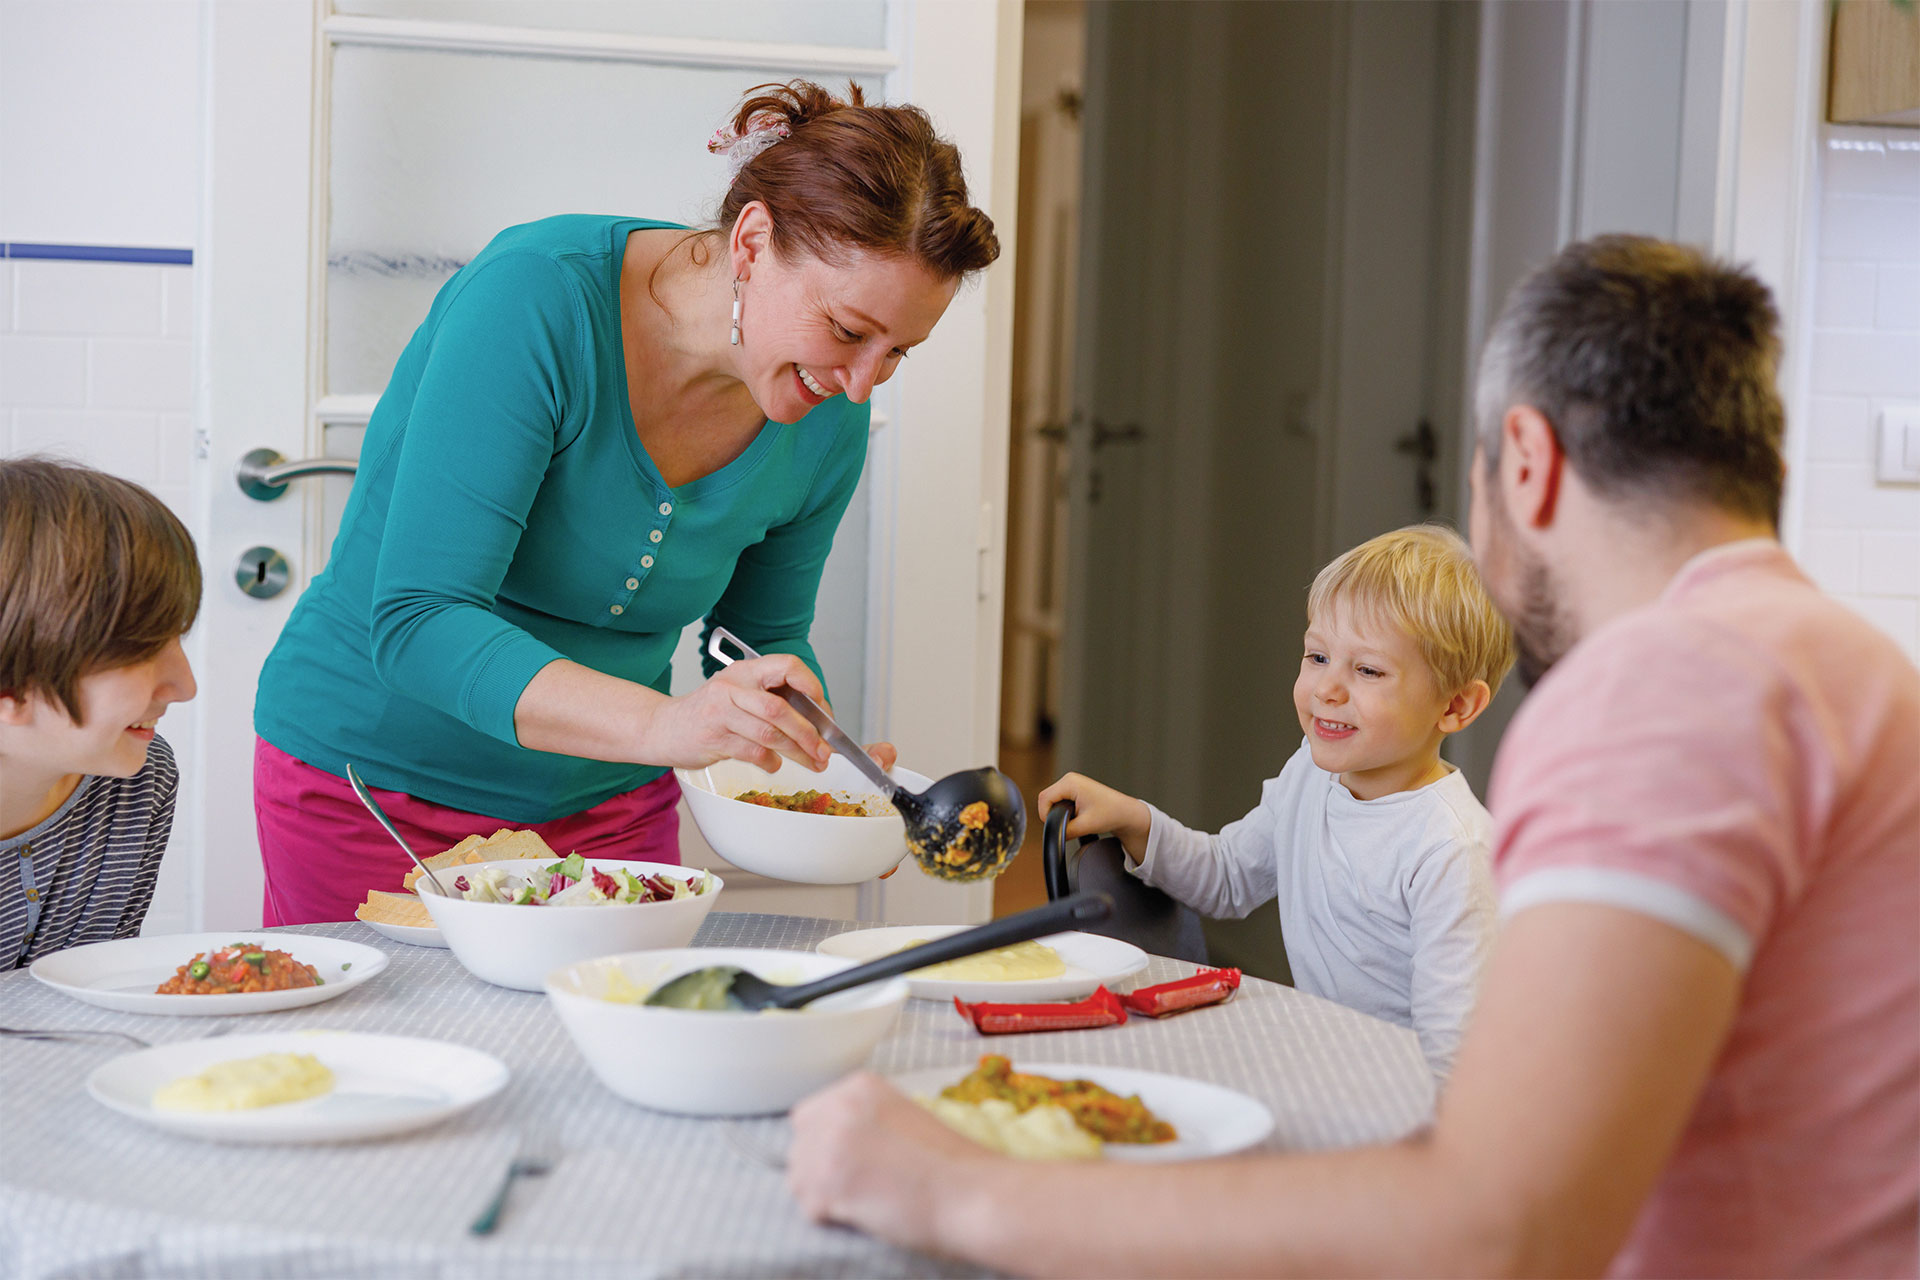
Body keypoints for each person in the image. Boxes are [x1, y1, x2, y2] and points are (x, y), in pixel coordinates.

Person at [784, 236, 1920, 1277]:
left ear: (1522, 461)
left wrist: (959, 1192)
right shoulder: (1851, 671)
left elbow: (1498, 1220)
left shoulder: (1666, 692)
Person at [252, 81, 999, 925]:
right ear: (752, 242)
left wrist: (804, 749)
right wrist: (668, 728)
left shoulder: (826, 420)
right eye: (848, 330)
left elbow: (761, 637)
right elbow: (421, 620)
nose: (862, 382)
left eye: (900, 351)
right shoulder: (537, 300)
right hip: (380, 788)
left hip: (610, 806)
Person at [1039, 525, 1513, 1081]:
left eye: (1367, 670)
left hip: (1394, 1102)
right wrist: (1134, 819)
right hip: (1325, 1067)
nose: (1326, 689)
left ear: (1456, 706)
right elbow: (1228, 877)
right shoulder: (1311, 774)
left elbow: (1454, 1065)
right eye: (1317, 656)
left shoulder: (1452, 852)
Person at [0, 458, 201, 970]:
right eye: (141, 648)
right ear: (11, 683)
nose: (185, 686)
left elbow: (84, 1001)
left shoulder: (135, 782)